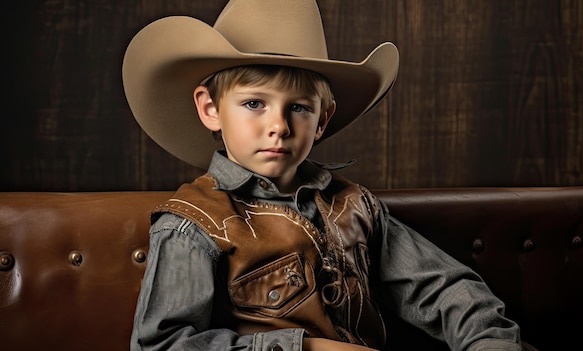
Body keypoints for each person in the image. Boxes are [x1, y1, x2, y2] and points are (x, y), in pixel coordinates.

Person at [122, 1, 535, 350]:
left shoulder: (355, 204)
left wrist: (488, 340)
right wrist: (306, 347)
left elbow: (442, 288)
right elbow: (164, 344)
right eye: (254, 104)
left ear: (322, 121)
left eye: (299, 107)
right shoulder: (192, 225)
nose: (279, 125)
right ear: (211, 109)